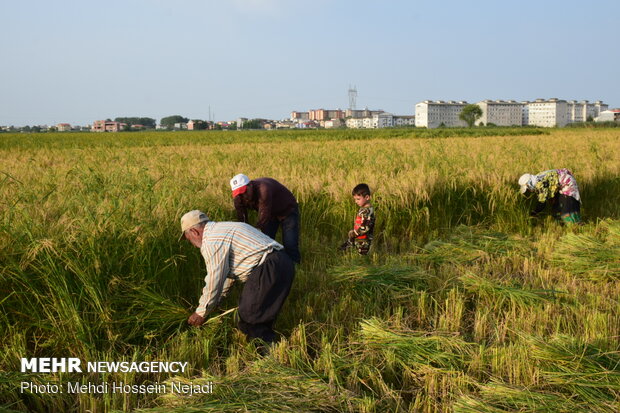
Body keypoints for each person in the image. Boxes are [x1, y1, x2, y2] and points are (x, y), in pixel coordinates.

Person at [180, 210, 295, 345]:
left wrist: (201, 312)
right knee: (260, 311)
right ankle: (268, 346)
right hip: (282, 262)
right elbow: (228, 272)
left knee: (250, 314)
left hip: (267, 267)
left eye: (189, 240)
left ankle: (267, 355)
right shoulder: (225, 229)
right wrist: (217, 300)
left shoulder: (211, 241)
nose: (193, 245)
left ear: (194, 232)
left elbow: (214, 278)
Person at [230, 174, 301, 264]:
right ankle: (271, 264)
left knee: (290, 242)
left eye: (243, 192)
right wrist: (245, 235)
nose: (242, 196)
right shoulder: (238, 199)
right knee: (266, 242)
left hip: (287, 210)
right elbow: (242, 220)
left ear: (250, 185)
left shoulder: (263, 189)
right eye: (238, 193)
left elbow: (263, 217)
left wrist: (255, 235)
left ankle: (294, 265)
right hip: (271, 213)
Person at [339, 183, 376, 255]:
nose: (356, 201)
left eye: (358, 199)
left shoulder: (367, 211)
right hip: (359, 239)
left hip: (364, 240)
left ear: (367, 197)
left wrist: (354, 233)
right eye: (355, 199)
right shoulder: (363, 209)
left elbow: (365, 227)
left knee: (362, 259)